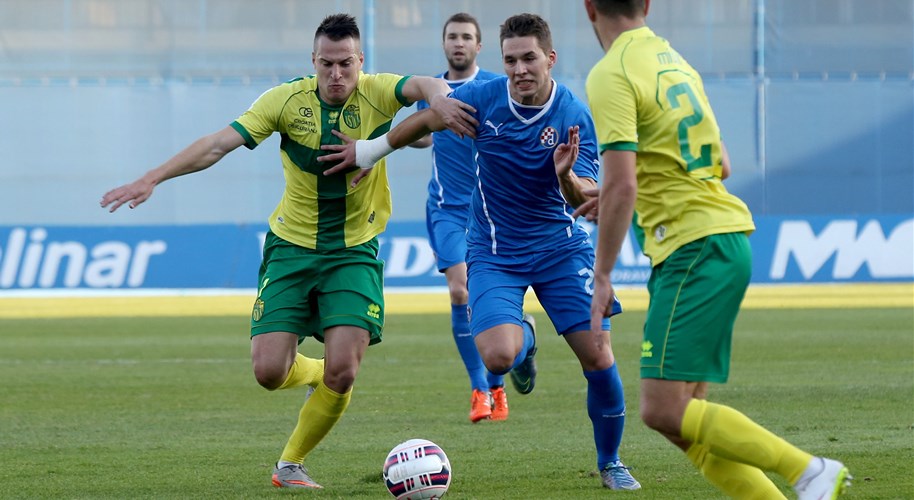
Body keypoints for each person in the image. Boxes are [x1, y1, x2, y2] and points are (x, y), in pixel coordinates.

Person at [100, 13, 474, 491]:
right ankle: (314, 372)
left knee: (346, 368)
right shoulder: (285, 101)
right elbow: (218, 144)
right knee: (269, 372)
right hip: (291, 250)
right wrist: (152, 177)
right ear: (312, 62)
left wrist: (440, 95)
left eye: (345, 65)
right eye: (326, 65)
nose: (336, 76)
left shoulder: (377, 91)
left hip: (353, 251)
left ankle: (291, 463)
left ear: (361, 61)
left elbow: (422, 84)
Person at [320, 13, 641, 491]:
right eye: (510, 60)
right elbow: (427, 118)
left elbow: (587, 199)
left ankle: (611, 462)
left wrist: (566, 177)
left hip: (560, 248)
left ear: (549, 59)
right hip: (495, 251)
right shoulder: (483, 97)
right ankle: (526, 341)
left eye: (529, 58)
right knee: (496, 358)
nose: (520, 69)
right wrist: (371, 150)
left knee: (597, 357)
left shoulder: (574, 114)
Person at [578, 1, 852, 498]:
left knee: (661, 409)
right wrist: (633, 186)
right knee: (683, 424)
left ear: (589, 8)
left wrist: (601, 275)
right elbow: (720, 163)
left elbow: (620, 187)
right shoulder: (674, 61)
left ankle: (809, 470)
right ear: (646, 4)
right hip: (719, 239)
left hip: (693, 247)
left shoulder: (610, 71)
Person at [410, 12, 513, 424]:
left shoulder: (494, 87)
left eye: (467, 37)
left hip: (493, 210)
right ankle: (480, 390)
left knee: (499, 307)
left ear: (478, 45)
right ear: (444, 43)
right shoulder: (432, 92)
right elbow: (422, 133)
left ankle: (503, 377)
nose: (459, 43)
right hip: (448, 209)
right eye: (452, 36)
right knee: (459, 291)